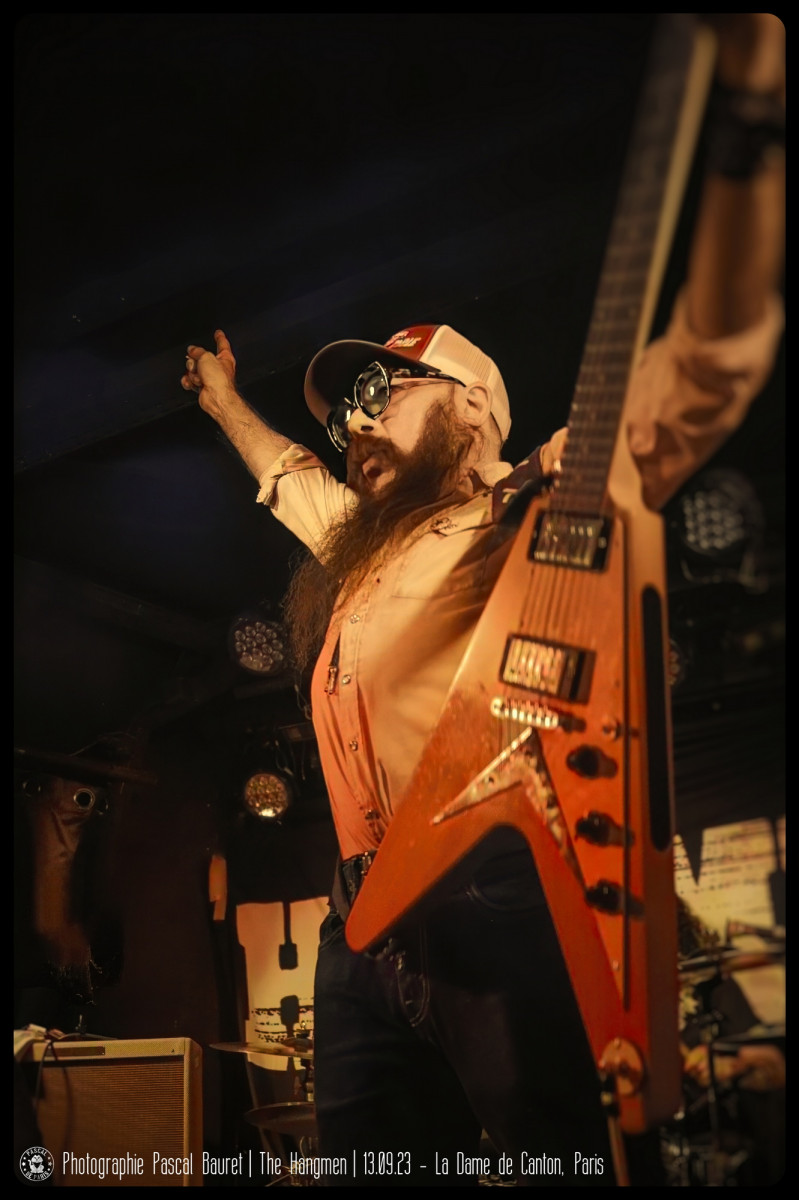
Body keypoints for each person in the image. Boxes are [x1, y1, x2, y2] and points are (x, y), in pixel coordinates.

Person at [181, 15, 784, 1186]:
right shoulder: (361, 543)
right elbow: (286, 477)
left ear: (471, 408)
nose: (355, 423)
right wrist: (221, 402)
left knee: (563, 1159)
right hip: (361, 926)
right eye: (346, 412)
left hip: (493, 890)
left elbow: (702, 365)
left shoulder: (530, 504)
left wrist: (749, 137)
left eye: (383, 391)